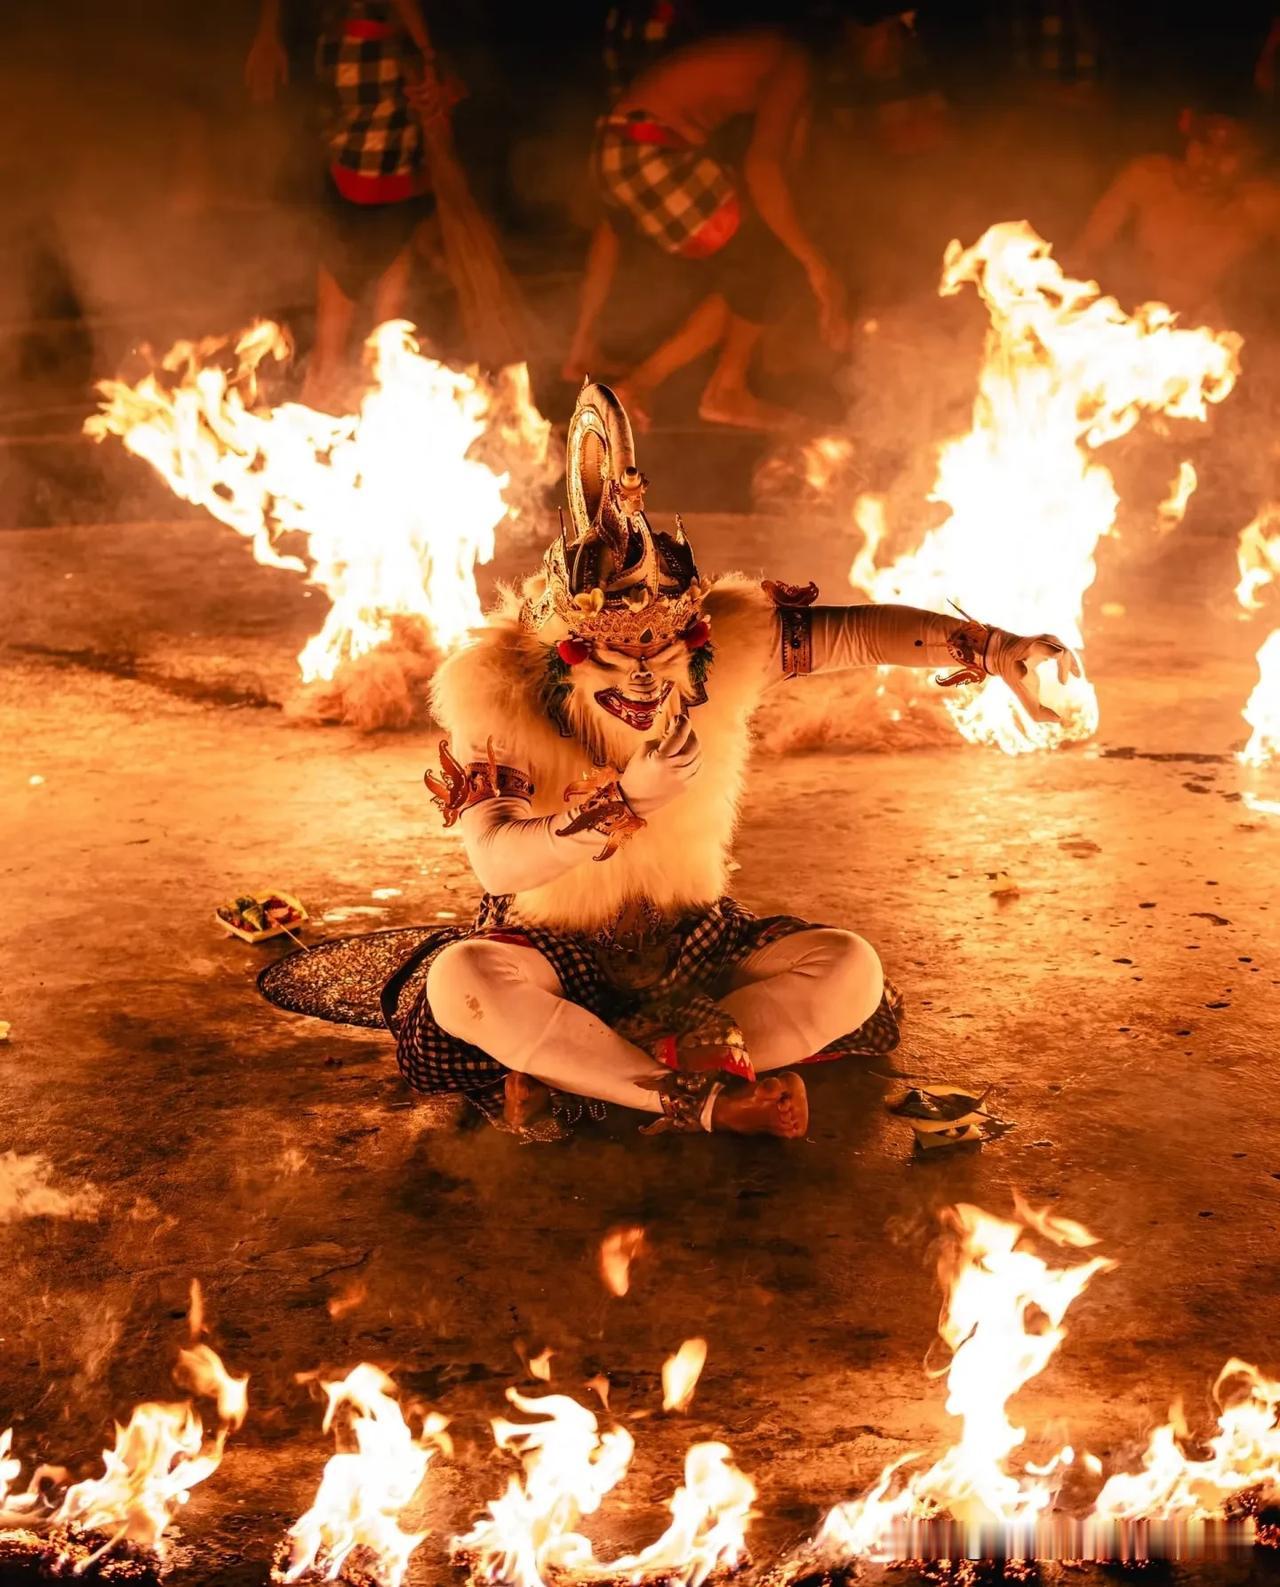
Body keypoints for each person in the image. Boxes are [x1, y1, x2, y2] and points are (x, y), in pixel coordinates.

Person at [261, 384, 1079, 1141]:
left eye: (666, 654)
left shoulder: (720, 655)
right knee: (462, 984)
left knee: (851, 971)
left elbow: (860, 633)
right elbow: (496, 859)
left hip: (695, 943)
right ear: (562, 661)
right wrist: (622, 802)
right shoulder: (495, 695)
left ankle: (604, 1074)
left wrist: (997, 648)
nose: (647, 681)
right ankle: (701, 1097)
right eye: (614, 663)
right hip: (549, 953)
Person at [562, 27, 850, 434]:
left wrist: (582, 336)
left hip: (623, 150)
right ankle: (723, 390)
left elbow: (782, 180)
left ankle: (654, 383)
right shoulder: (792, 59)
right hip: (645, 151)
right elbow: (762, 168)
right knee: (772, 250)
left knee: (760, 259)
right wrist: (818, 268)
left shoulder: (776, 64)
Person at [245, 0, 452, 408]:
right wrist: (428, 53)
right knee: (361, 213)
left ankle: (374, 369)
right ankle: (332, 375)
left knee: (392, 208)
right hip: (368, 50)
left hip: (362, 50)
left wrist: (269, 31)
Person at [1073, 104, 1280, 319]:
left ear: (1251, 156)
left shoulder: (1264, 206)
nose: (1210, 161)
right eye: (1204, 143)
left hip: (1207, 336)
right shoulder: (1148, 176)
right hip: (1130, 320)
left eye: (1228, 151)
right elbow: (1085, 251)